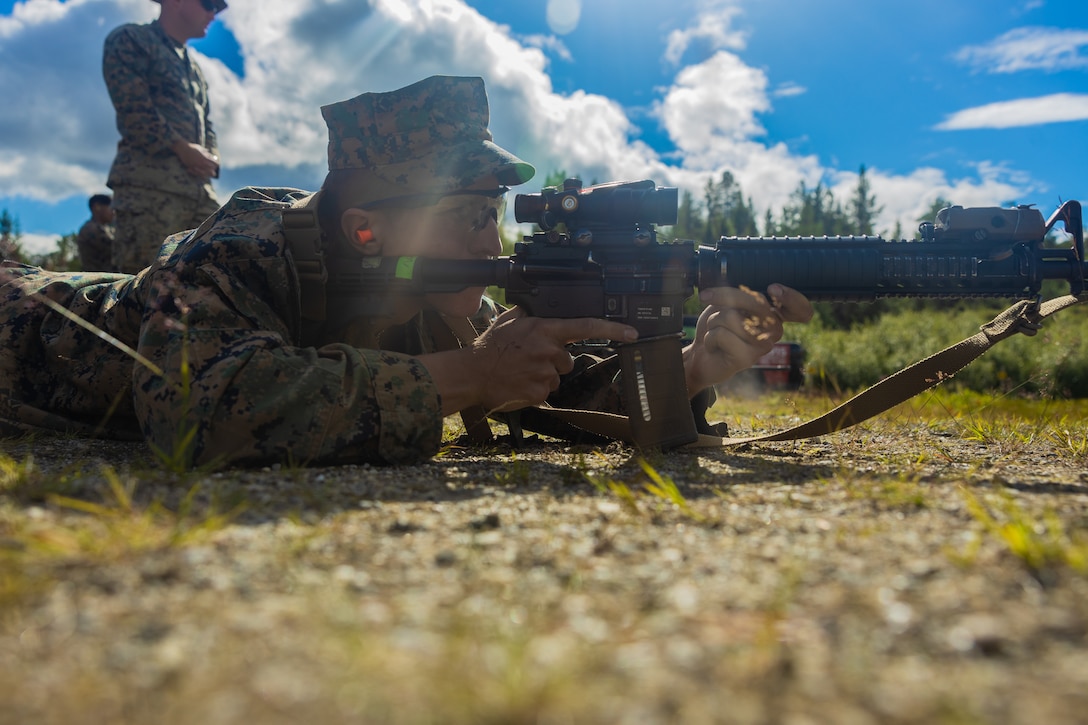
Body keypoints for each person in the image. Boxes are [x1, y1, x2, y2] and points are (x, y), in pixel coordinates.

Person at [0, 75, 812, 469]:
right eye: (466, 215)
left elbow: (548, 388)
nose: (489, 238)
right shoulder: (224, 252)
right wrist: (466, 375)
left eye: (491, 212)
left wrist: (695, 365)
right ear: (365, 228)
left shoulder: (416, 289)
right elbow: (199, 411)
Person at [102, 0, 227, 273]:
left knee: (212, 285)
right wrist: (181, 148)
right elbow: (134, 109)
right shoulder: (132, 40)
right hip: (149, 192)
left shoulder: (193, 67)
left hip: (198, 193)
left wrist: (211, 157)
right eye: (209, 4)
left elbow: (206, 123)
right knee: (143, 292)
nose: (213, 13)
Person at [75, 194, 116, 272]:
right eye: (110, 208)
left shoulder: (107, 229)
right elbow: (117, 249)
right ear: (97, 207)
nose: (113, 212)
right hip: (99, 280)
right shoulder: (90, 229)